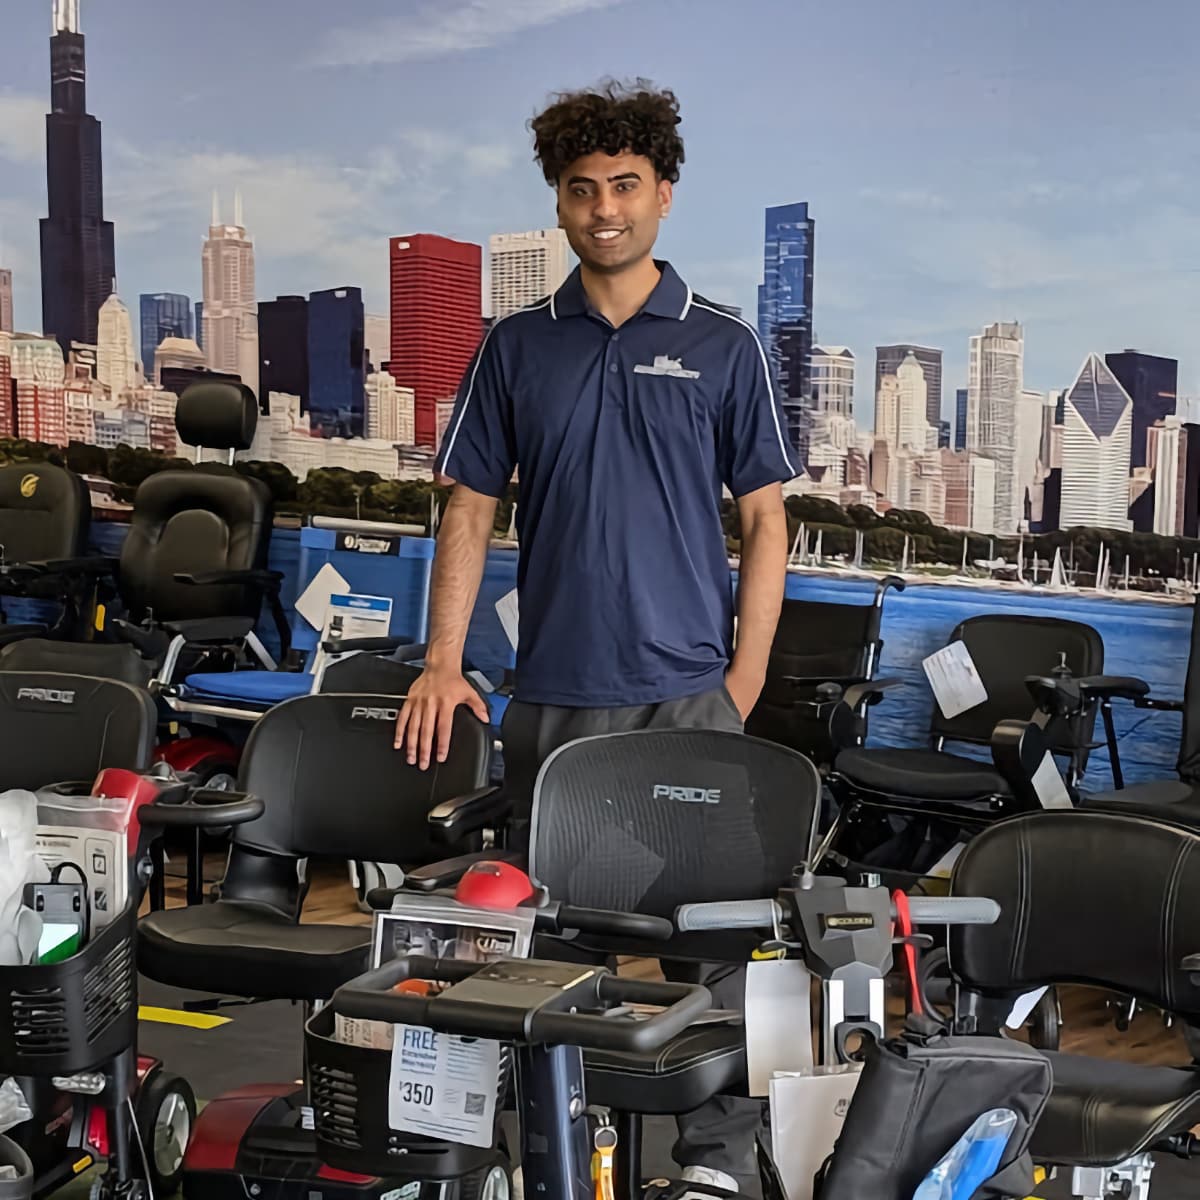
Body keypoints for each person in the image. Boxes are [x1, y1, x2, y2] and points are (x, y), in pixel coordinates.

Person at [395, 78, 796, 1195]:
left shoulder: (722, 346)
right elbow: (468, 503)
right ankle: (551, 1153)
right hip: (556, 697)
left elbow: (766, 517)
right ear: (560, 206)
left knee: (704, 952)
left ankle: (715, 1168)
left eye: (626, 185)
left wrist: (744, 679)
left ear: (664, 195)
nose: (605, 208)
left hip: (686, 700)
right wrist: (441, 660)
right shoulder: (517, 347)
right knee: (553, 949)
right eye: (582, 190)